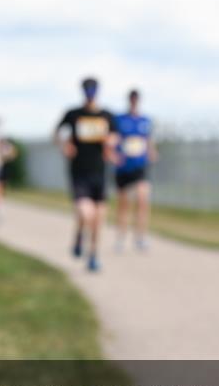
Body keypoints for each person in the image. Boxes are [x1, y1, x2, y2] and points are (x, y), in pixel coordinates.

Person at [54, 77, 119, 272]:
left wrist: (111, 143)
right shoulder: (73, 114)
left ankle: (92, 254)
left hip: (99, 173)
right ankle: (80, 235)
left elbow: (115, 136)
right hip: (79, 172)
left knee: (98, 218)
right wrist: (64, 145)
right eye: (87, 89)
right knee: (86, 212)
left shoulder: (107, 115)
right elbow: (57, 133)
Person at [114, 89, 157, 252]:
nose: (134, 102)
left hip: (140, 166)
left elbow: (148, 139)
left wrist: (152, 151)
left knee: (142, 200)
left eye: (136, 99)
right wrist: (114, 154)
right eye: (132, 99)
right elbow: (114, 138)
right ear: (128, 100)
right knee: (124, 204)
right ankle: (121, 237)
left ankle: (140, 236)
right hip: (124, 167)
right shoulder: (120, 119)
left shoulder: (145, 120)